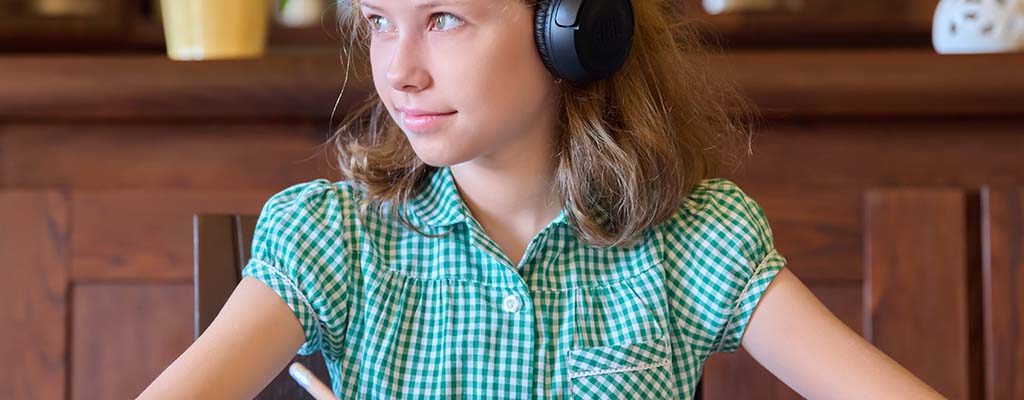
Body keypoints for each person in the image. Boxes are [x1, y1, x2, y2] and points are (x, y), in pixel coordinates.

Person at [139, 0, 947, 398]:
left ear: (572, 28)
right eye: (381, 19)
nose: (400, 70)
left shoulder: (695, 238)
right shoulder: (333, 236)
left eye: (445, 18)